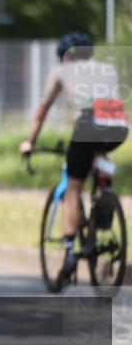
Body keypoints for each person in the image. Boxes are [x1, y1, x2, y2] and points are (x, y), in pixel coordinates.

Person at [20, 32, 128, 287]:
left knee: (73, 187)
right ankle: (106, 197)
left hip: (88, 122)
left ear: (67, 55)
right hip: (118, 122)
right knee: (100, 154)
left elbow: (42, 111)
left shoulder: (61, 70)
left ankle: (70, 251)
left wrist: (30, 143)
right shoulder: (107, 68)